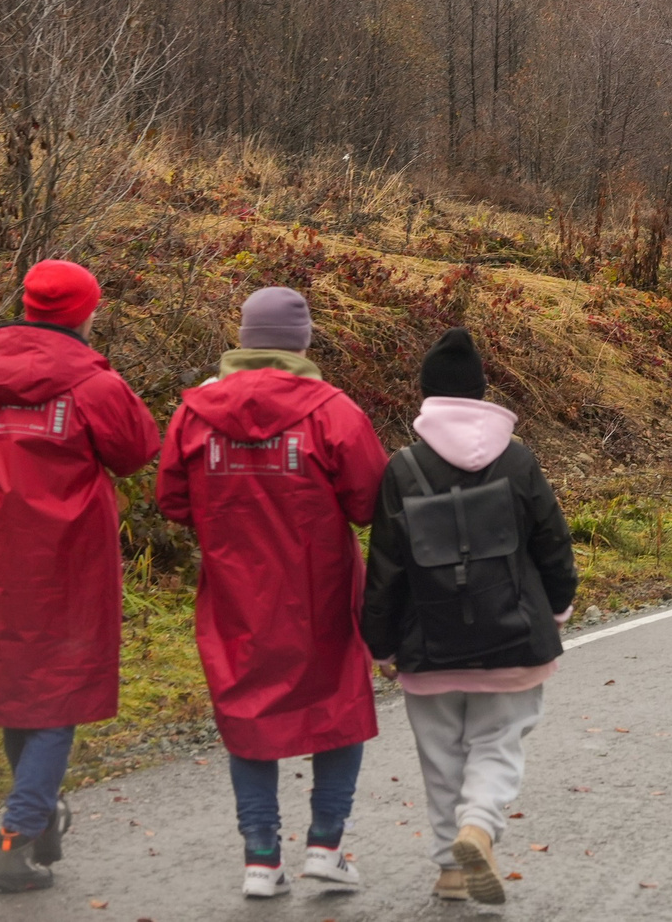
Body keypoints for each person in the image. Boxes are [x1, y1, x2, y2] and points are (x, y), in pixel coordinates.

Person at [0, 259, 161, 895]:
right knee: (54, 697)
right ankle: (17, 839)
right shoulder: (93, 383)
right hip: (69, 567)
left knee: (22, 692)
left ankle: (38, 816)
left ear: (28, 305)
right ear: (85, 313)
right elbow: (136, 451)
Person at [157, 286, 389, 899]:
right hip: (320, 589)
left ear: (243, 338)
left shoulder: (196, 412)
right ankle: (326, 846)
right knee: (337, 706)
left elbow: (172, 500)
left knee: (246, 707)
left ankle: (260, 856)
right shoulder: (333, 410)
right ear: (301, 342)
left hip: (234, 591)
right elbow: (370, 502)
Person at [363, 330, 578, 907]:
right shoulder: (517, 459)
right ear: (482, 392)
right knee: (498, 743)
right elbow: (553, 544)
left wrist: (381, 645)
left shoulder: (403, 468)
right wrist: (558, 608)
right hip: (514, 638)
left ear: (427, 395)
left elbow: (386, 567)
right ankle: (478, 827)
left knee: (441, 759)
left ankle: (450, 871)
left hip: (428, 644)